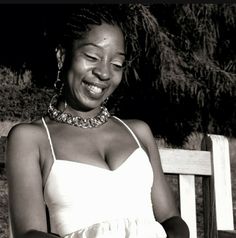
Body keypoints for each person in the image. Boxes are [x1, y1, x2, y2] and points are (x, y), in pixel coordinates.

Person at [6, 4, 189, 238]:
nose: (104, 73)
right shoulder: (31, 138)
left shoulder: (138, 132)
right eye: (92, 57)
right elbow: (30, 234)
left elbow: (170, 218)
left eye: (116, 65)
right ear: (62, 56)